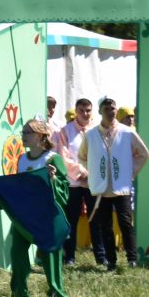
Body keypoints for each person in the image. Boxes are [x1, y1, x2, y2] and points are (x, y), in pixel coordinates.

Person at [79, 97, 149, 272]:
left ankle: (132, 259)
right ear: (100, 111)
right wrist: (92, 172)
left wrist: (131, 172)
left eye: (113, 108)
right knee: (105, 226)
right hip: (101, 188)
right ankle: (111, 261)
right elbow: (82, 156)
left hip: (121, 187)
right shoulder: (91, 135)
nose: (111, 112)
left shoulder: (127, 132)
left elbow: (144, 154)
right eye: (106, 109)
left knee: (125, 223)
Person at [8, 118, 70, 297]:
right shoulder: (21, 159)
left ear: (41, 136)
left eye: (28, 132)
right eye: (23, 132)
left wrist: (53, 180)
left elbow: (64, 189)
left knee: (51, 256)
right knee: (17, 254)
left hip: (46, 216)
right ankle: (21, 296)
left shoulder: (52, 159)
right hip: (24, 216)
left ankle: (56, 295)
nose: (23, 136)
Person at [52, 98, 95, 265]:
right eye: (82, 110)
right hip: (73, 182)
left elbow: (99, 156)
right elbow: (62, 156)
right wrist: (81, 171)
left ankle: (101, 256)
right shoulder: (65, 131)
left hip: (93, 182)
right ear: (76, 112)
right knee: (71, 220)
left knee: (96, 219)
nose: (85, 114)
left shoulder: (96, 131)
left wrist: (91, 174)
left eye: (88, 110)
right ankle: (69, 256)